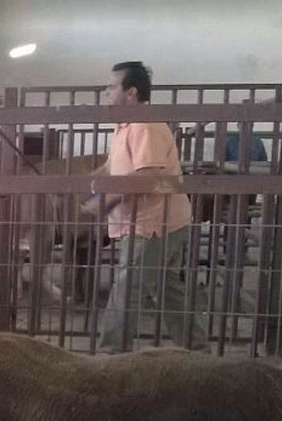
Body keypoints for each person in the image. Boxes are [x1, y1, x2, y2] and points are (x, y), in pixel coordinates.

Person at [81, 61, 207, 353]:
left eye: (111, 86)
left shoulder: (144, 124)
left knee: (129, 286)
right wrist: (89, 180)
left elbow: (147, 176)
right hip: (154, 220)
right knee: (164, 287)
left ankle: (110, 355)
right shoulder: (125, 126)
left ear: (131, 92)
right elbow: (114, 166)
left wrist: (105, 201)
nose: (105, 92)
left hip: (153, 222)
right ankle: (197, 350)